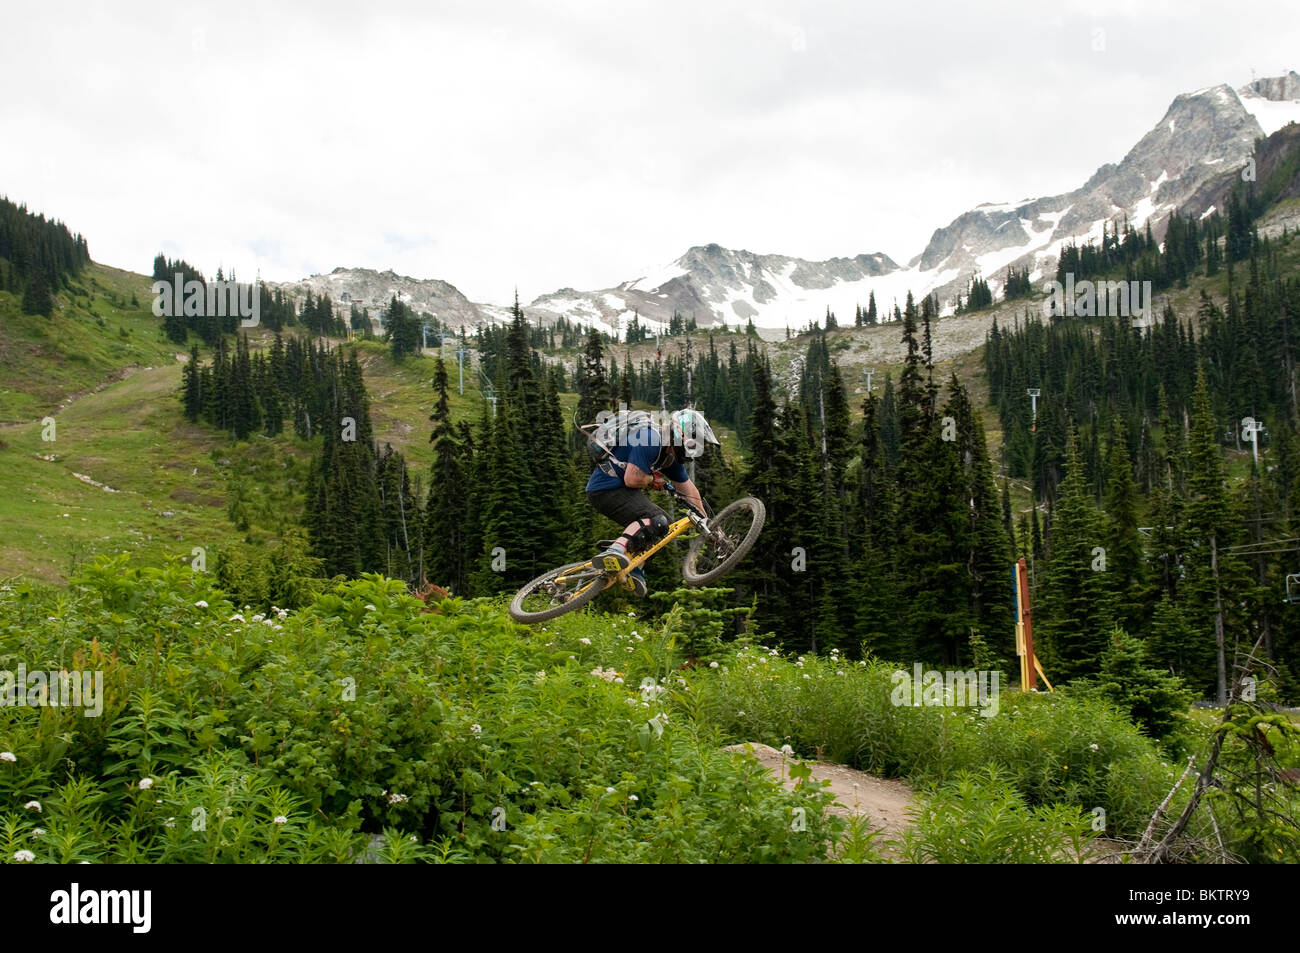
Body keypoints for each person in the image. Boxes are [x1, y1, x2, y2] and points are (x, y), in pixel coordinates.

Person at [585, 408, 718, 596]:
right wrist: (652, 480)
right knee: (655, 519)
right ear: (680, 433)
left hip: (617, 491)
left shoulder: (670, 457)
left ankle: (634, 569)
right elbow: (632, 479)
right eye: (693, 441)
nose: (694, 448)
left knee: (665, 526)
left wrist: (710, 526)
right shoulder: (650, 438)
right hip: (604, 489)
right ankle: (615, 550)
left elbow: (690, 492)